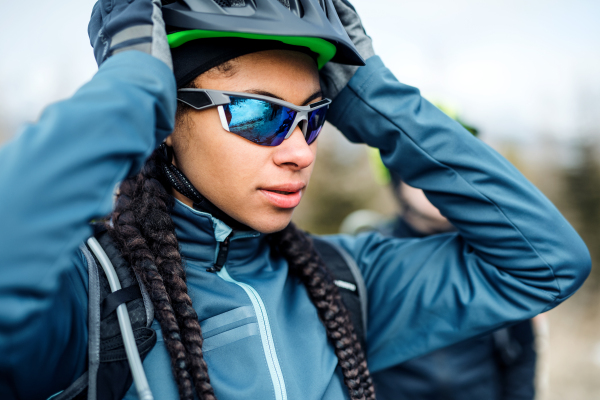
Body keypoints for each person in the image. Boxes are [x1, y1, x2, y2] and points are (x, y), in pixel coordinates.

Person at [0, 0, 591, 399]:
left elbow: (546, 262)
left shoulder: (345, 283)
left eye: (314, 119)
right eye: (259, 114)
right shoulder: (90, 296)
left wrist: (371, 94)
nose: (299, 152)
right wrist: (130, 86)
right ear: (166, 120)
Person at [342, 164, 537, 399]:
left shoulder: (492, 255)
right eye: (421, 171)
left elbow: (522, 350)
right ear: (397, 181)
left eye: (448, 173)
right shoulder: (370, 260)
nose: (435, 183)